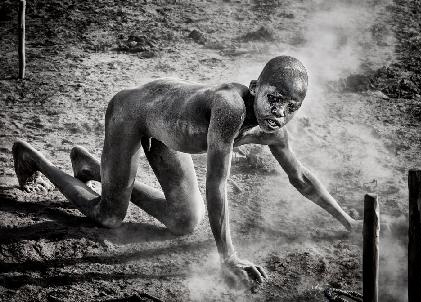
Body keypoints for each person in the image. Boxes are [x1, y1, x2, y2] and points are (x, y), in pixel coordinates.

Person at [13, 56, 360, 285]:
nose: (280, 113)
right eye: (275, 99)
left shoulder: (273, 131)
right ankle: (36, 159)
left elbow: (299, 176)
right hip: (133, 114)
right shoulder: (230, 108)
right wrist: (229, 258)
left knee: (184, 222)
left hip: (171, 131)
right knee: (108, 217)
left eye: (291, 107)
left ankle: (95, 166)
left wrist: (349, 222)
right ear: (255, 88)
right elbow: (217, 185)